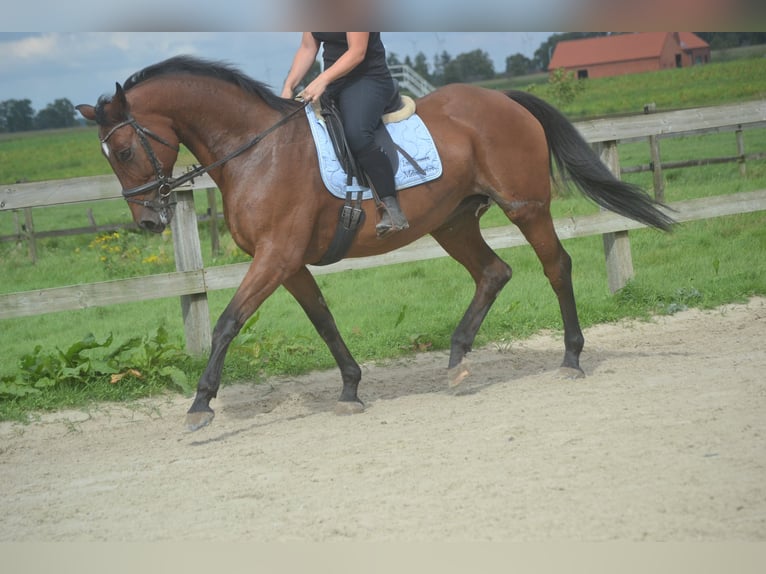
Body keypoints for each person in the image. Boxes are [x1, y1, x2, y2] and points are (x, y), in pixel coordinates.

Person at [281, 32, 409, 238]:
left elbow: (357, 52)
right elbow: (307, 48)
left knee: (357, 134)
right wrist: (288, 87)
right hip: (334, 83)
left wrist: (322, 79)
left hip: (368, 79)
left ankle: (390, 206)